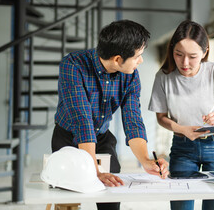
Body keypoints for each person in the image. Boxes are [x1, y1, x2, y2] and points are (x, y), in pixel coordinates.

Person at [52, 19, 169, 210]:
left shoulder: (130, 74)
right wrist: (94, 171)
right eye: (138, 56)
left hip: (102, 137)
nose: (141, 60)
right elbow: (83, 120)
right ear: (117, 59)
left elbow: (133, 119)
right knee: (68, 201)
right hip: (68, 138)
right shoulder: (73, 65)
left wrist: (145, 160)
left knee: (112, 192)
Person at [148, 20, 214, 210]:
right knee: (181, 205)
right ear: (172, 49)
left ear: (205, 52)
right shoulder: (164, 76)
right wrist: (181, 129)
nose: (185, 63)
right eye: (179, 54)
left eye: (192, 56)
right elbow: (161, 117)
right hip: (183, 148)